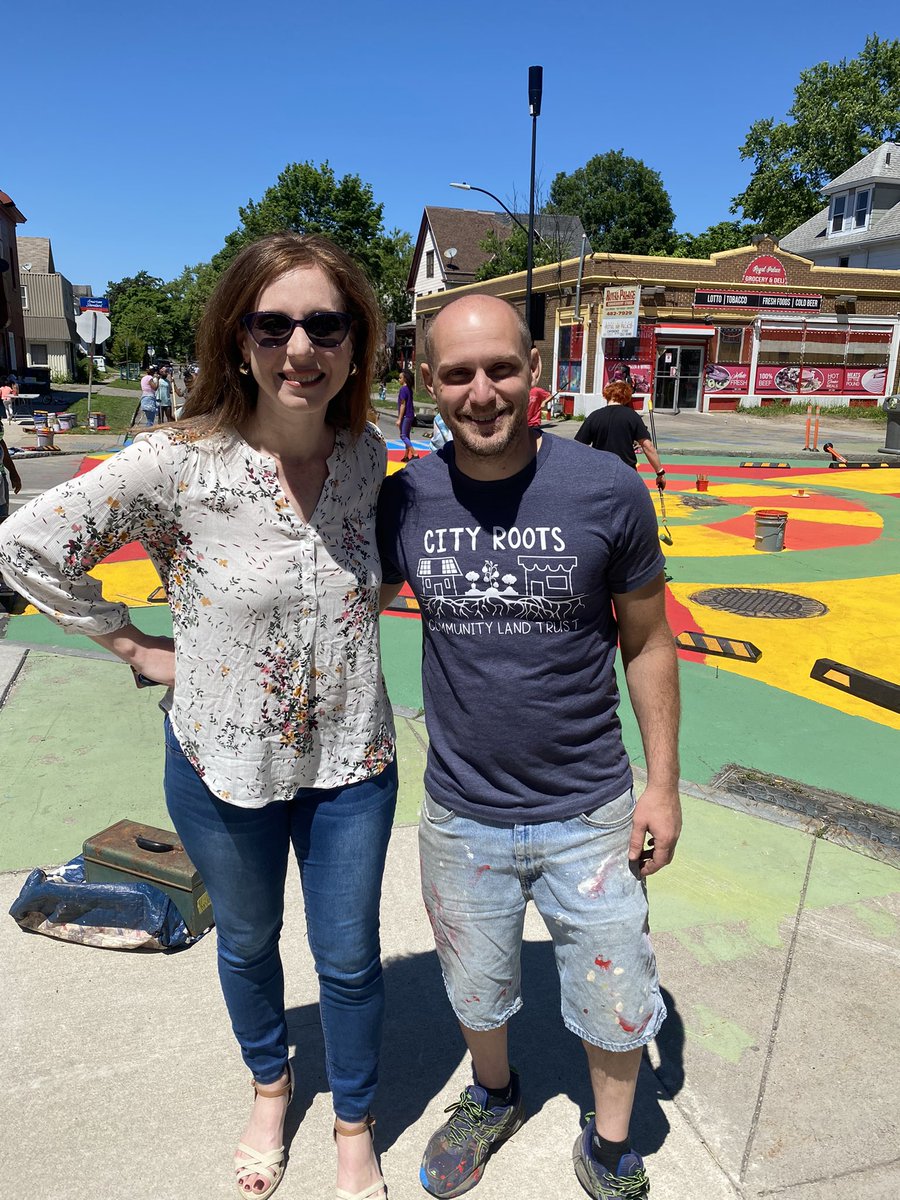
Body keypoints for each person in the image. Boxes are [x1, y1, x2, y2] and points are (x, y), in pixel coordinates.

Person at [0, 233, 399, 1200]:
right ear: (237, 339)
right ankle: (271, 1088)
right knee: (249, 942)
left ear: (356, 342)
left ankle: (354, 1123)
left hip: (351, 760)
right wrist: (135, 647)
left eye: (325, 325)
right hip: (223, 766)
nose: (300, 348)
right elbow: (24, 545)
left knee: (349, 959)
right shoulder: (176, 463)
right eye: (273, 325)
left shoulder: (365, 455)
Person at [377, 295, 680, 1200]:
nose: (482, 392)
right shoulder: (408, 497)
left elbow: (647, 640)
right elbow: (335, 596)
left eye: (501, 368)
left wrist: (662, 786)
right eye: (458, 374)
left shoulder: (606, 489)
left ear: (535, 370)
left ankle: (611, 1143)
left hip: (590, 808)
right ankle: (493, 1094)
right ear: (429, 383)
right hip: (461, 810)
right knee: (476, 988)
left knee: (617, 996)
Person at [575, 381, 667, 490]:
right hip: (625, 471)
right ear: (626, 397)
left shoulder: (594, 416)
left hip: (600, 471)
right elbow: (648, 447)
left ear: (607, 395)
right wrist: (660, 472)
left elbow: (578, 446)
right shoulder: (632, 416)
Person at [396, 367, 417, 462]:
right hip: (410, 414)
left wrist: (399, 419)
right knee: (407, 436)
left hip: (406, 416)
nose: (399, 380)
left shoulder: (403, 389)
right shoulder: (409, 389)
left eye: (400, 378)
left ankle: (415, 453)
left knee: (403, 436)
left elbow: (403, 404)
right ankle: (406, 456)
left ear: (405, 379)